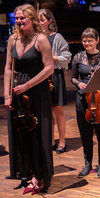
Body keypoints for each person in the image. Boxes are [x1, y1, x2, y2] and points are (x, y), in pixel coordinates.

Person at [4, 4, 54, 194]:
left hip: (37, 91)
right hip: (18, 92)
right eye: (16, 18)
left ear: (32, 19)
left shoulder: (41, 39)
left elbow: (48, 68)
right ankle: (26, 172)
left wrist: (28, 85)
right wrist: (8, 94)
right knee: (23, 134)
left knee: (38, 134)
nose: (18, 21)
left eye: (22, 18)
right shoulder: (12, 39)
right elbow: (8, 68)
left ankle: (40, 175)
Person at [71, 28, 100, 178]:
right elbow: (73, 77)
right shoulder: (78, 57)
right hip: (84, 97)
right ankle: (87, 163)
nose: (87, 43)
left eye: (90, 40)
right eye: (84, 41)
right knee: (85, 133)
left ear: (97, 41)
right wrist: (79, 84)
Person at [38, 9, 72, 153]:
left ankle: (62, 141)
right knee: (46, 110)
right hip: (41, 76)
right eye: (38, 20)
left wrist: (52, 57)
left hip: (54, 76)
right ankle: (51, 140)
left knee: (57, 109)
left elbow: (67, 56)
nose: (39, 23)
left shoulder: (57, 37)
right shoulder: (37, 37)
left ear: (50, 21)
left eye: (42, 20)